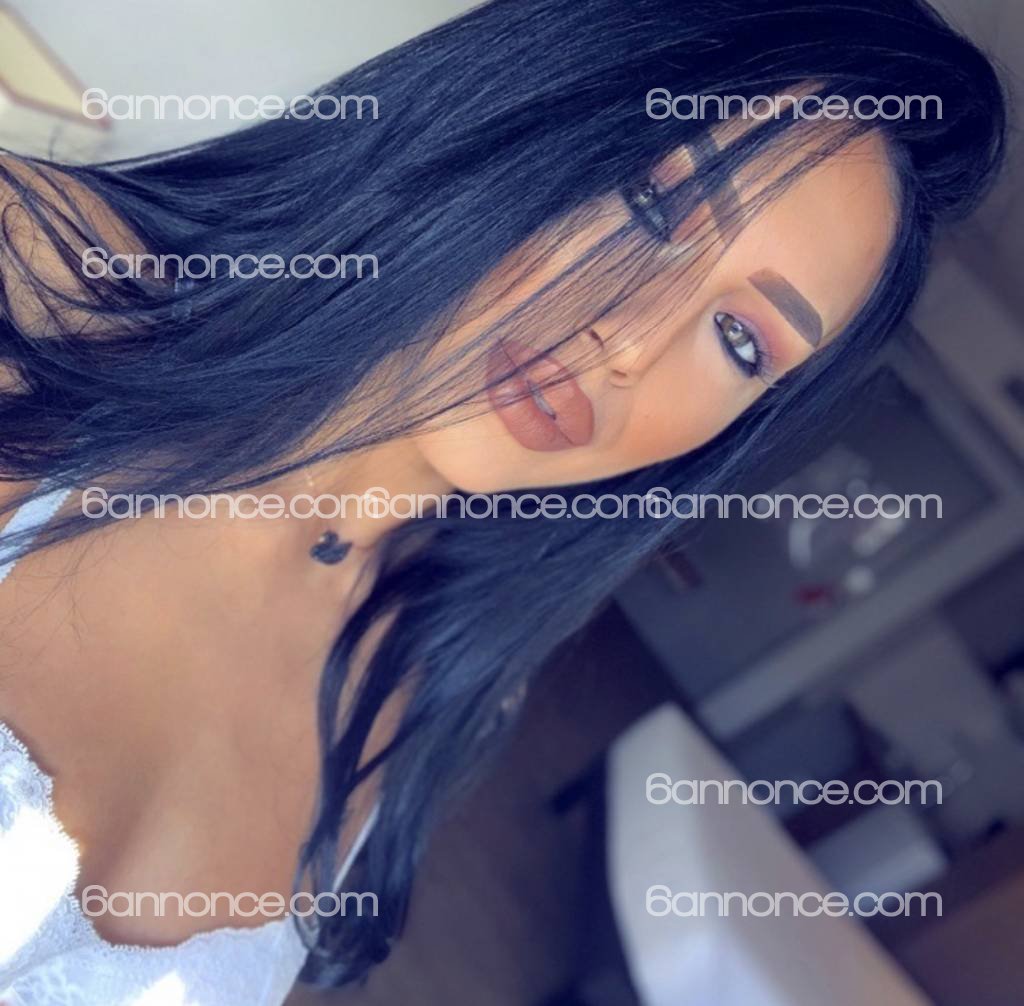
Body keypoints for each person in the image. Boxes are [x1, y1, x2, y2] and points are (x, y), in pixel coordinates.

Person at [0, 0, 1006, 1002]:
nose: (628, 342)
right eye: (651, 204)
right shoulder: (45, 296)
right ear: (536, 107)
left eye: (740, 340)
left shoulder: (419, 686)